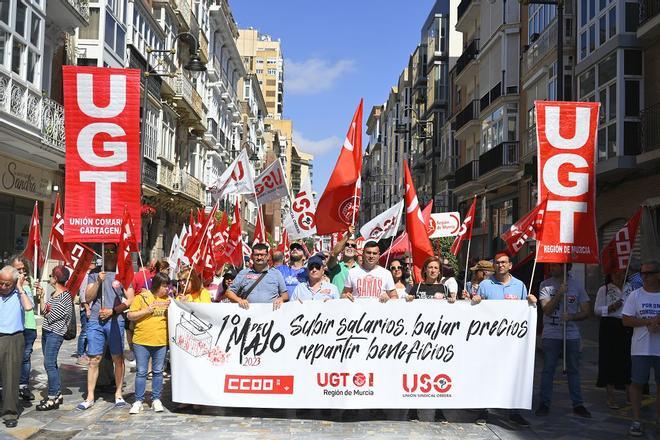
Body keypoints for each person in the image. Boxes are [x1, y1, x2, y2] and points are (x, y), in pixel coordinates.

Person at [472, 252, 536, 427]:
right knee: (487, 375)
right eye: (497, 263)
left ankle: (514, 412)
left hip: (512, 343)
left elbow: (525, 312)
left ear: (510, 265)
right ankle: (483, 410)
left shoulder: (520, 285)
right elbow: (475, 311)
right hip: (489, 341)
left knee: (513, 376)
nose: (500, 265)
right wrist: (475, 300)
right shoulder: (485, 285)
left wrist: (532, 302)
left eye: (503, 263)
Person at [76, 248, 135, 411]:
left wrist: (113, 311)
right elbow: (87, 298)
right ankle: (90, 396)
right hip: (96, 320)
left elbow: (130, 300)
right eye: (106, 249)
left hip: (115, 321)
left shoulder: (123, 272)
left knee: (118, 358)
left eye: (112, 249)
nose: (108, 252)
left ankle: (118, 394)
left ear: (117, 251)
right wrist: (98, 282)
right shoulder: (95, 272)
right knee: (94, 359)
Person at [535, 263, 591, 418]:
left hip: (571, 334)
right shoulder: (545, 285)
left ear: (566, 267)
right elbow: (546, 310)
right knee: (548, 369)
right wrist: (559, 294)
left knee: (573, 369)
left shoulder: (577, 286)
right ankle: (544, 403)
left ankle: (578, 404)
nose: (551, 267)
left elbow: (586, 311)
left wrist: (572, 316)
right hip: (551, 334)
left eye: (556, 265)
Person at [622, 260, 660, 437]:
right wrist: (647, 322)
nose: (644, 276)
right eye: (642, 273)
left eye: (648, 273)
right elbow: (626, 319)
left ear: (658, 275)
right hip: (641, 348)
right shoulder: (635, 296)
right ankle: (637, 420)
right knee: (637, 383)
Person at [127, 273, 171, 414]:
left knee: (158, 372)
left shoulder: (169, 300)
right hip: (141, 341)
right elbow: (130, 315)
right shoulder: (142, 297)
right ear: (157, 285)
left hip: (161, 341)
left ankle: (156, 399)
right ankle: (138, 400)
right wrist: (146, 310)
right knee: (141, 372)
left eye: (167, 286)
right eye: (164, 286)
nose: (167, 289)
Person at [594, 268, 633, 409]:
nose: (618, 275)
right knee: (609, 359)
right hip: (610, 325)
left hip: (627, 325)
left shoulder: (631, 288)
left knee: (628, 359)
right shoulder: (604, 289)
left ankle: (630, 394)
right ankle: (610, 396)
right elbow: (596, 311)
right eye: (615, 272)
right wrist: (610, 308)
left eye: (621, 272)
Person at [0, 265, 34, 428]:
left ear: (14, 282)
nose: (3, 287)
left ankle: (9, 412)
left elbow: (28, 307)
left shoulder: (21, 292)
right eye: (1, 283)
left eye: (7, 284)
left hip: (12, 338)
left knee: (10, 377)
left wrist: (20, 288)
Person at [36, 265, 74, 411]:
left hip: (55, 333)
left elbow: (51, 316)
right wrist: (41, 296)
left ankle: (52, 396)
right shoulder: (54, 294)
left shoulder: (65, 296)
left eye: (52, 276)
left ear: (56, 278)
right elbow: (45, 309)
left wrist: (46, 308)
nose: (50, 278)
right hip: (47, 331)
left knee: (49, 364)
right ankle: (57, 393)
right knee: (51, 363)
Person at [225, 243, 288, 309]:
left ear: (268, 256)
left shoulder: (276, 273)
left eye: (262, 255)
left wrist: (281, 299)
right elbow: (229, 292)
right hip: (248, 315)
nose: (259, 257)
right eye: (256, 255)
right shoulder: (243, 273)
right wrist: (239, 300)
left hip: (270, 315)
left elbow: (285, 295)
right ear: (252, 256)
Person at [10, 255, 38, 401]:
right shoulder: (7, 282)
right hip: (13, 325)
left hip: (29, 325)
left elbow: (31, 305)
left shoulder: (31, 282)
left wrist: (39, 294)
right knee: (9, 357)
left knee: (25, 357)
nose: (21, 272)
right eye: (17, 269)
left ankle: (23, 386)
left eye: (23, 269)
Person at [76, 259, 97, 367]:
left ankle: (86, 353)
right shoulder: (85, 276)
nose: (94, 264)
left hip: (92, 308)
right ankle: (80, 354)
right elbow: (83, 294)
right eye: (93, 262)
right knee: (84, 332)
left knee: (89, 332)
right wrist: (87, 308)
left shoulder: (92, 275)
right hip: (86, 308)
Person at [327, 225, 358, 293]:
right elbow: (333, 254)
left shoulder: (360, 269)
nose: (349, 247)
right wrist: (347, 235)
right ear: (342, 249)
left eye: (353, 246)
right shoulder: (335, 266)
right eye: (346, 245)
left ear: (356, 251)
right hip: (336, 303)